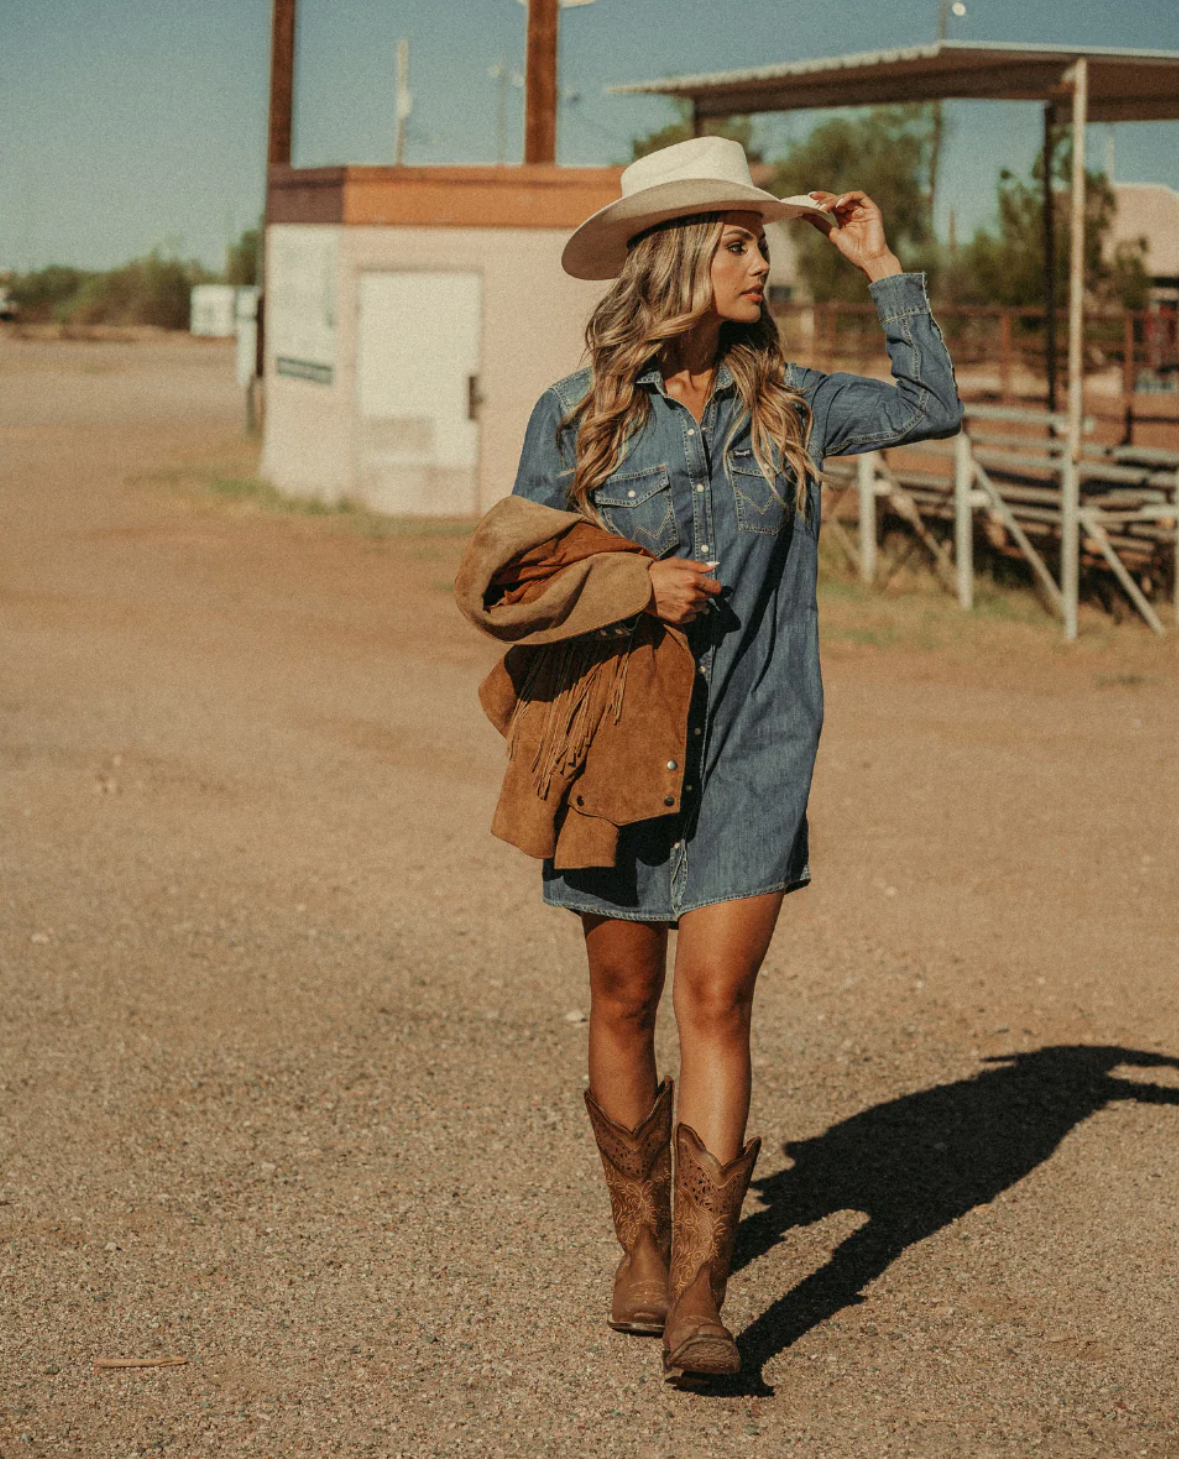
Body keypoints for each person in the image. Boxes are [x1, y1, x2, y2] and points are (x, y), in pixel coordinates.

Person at [506, 135, 963, 1381]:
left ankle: (703, 1292)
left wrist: (881, 265)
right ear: (678, 259)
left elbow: (933, 402)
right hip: (614, 746)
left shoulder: (795, 406)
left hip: (757, 748)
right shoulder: (576, 415)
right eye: (741, 240)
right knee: (622, 996)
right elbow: (517, 575)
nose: (763, 261)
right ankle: (640, 1244)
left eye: (762, 240)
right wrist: (627, 581)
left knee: (717, 999)